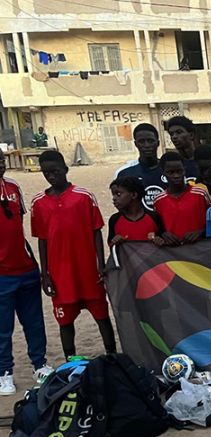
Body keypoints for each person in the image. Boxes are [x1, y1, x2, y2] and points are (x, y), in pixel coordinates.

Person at [32, 150, 116, 360]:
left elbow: (96, 230)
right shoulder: (39, 203)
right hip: (60, 273)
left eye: (55, 171)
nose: (51, 176)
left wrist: (100, 263)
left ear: (65, 170)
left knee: (102, 317)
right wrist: (45, 274)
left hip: (87, 270)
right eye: (46, 173)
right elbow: (42, 239)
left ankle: (112, 356)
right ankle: (70, 360)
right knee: (65, 321)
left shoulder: (84, 196)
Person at [0, 151, 50, 395]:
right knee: (3, 327)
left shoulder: (13, 187)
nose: (0, 165)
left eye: (1, 160)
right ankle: (4, 372)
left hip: (26, 268)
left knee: (34, 322)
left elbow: (17, 225)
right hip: (2, 274)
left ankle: (39, 365)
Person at [154, 152, 211, 245]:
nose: (176, 176)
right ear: (163, 172)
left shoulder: (200, 194)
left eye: (179, 171)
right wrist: (163, 234)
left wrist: (201, 232)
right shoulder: (158, 200)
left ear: (184, 170)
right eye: (171, 172)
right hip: (174, 253)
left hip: (201, 250)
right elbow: (158, 229)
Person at [116, 123, 165, 210]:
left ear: (158, 143)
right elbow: (121, 204)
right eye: (142, 141)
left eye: (150, 141)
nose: (146, 145)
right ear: (136, 144)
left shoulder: (170, 170)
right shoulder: (125, 174)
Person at [107, 176, 165, 246]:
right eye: (113, 195)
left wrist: (158, 240)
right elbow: (111, 246)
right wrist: (115, 241)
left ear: (134, 195)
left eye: (118, 194)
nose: (114, 198)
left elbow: (163, 244)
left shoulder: (154, 217)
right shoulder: (114, 220)